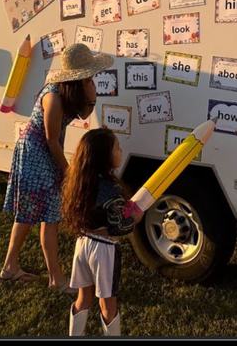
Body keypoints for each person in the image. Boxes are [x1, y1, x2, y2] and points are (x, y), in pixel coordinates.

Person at [0, 43, 113, 294]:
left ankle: (10, 267)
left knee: (31, 214)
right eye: (90, 77)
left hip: (44, 153)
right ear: (78, 77)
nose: (92, 79)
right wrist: (68, 171)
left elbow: (83, 116)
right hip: (35, 155)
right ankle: (56, 280)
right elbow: (51, 139)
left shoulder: (69, 94)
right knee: (46, 216)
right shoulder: (53, 97)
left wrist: (92, 97)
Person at [63, 128, 144, 336]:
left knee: (83, 298)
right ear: (104, 156)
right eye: (116, 147)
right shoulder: (111, 189)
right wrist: (135, 217)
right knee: (108, 305)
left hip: (82, 245)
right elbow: (119, 226)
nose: (120, 150)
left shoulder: (82, 183)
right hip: (104, 250)